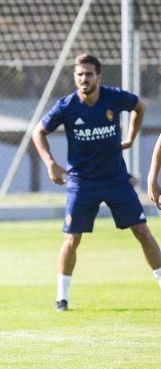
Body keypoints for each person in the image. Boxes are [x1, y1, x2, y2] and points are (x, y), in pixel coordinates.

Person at [32, 53, 161, 311]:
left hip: (116, 179)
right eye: (79, 74)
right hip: (82, 182)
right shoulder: (66, 107)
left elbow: (140, 106)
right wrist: (50, 163)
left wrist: (131, 138)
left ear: (99, 77)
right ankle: (62, 297)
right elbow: (39, 132)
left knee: (142, 231)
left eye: (89, 74)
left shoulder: (114, 97)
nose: (84, 79)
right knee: (72, 237)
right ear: (75, 78)